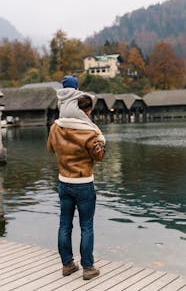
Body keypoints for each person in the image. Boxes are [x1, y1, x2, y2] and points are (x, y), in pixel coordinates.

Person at [47, 93, 105, 280]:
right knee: (86, 226)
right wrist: (101, 144)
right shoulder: (89, 131)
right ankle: (88, 268)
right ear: (87, 112)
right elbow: (99, 156)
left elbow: (50, 148)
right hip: (83, 183)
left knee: (64, 224)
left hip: (64, 182)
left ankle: (67, 265)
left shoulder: (56, 127)